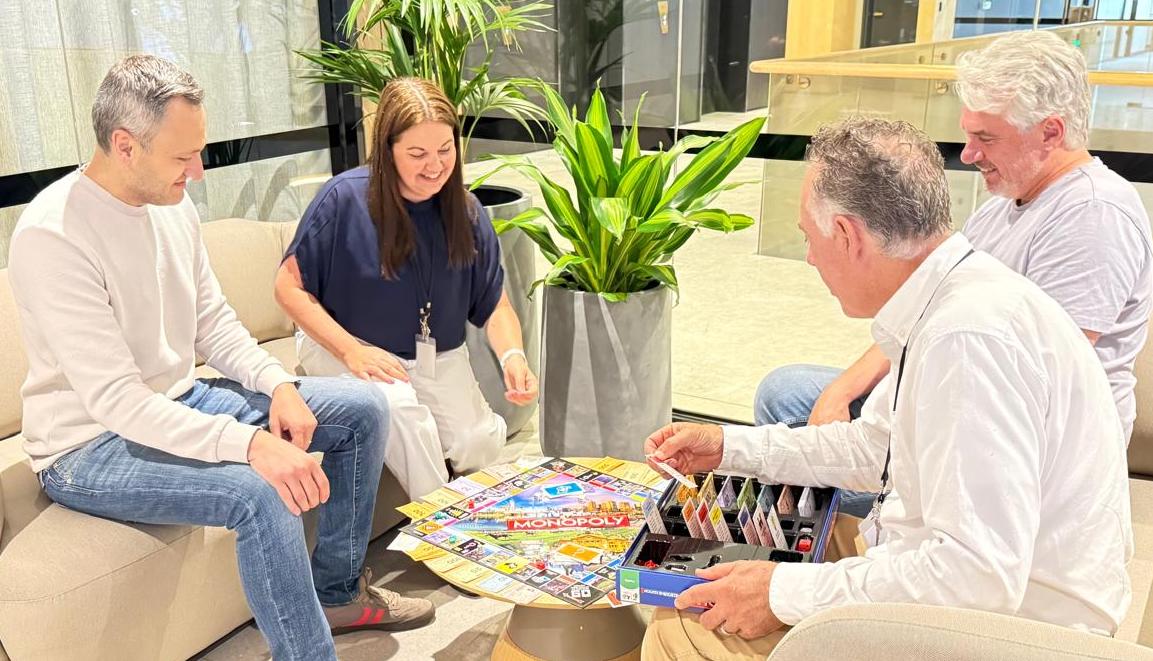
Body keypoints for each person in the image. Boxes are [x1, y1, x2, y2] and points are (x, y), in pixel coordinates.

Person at [640, 117, 1132, 660]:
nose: (808, 257)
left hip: (1019, 633)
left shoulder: (965, 338)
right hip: (961, 573)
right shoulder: (954, 296)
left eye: (808, 236)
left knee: (685, 624)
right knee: (744, 570)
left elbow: (978, 576)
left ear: (848, 235)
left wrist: (782, 593)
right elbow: (876, 448)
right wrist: (729, 447)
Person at [8, 55, 434, 661]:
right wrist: (251, 445)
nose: (199, 172)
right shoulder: (54, 235)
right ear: (125, 145)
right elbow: (118, 402)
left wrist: (277, 384)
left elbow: (212, 322)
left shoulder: (173, 206)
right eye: (183, 157)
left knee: (362, 407)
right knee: (258, 492)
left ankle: (335, 595)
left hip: (179, 398)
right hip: (87, 445)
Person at [755, 29, 1152, 517]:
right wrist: (846, 391)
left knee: (792, 429)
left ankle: (837, 566)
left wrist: (894, 425)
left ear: (1050, 132)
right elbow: (923, 304)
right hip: (958, 397)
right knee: (787, 394)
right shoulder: (1006, 203)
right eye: (968, 135)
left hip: (1027, 454)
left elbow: (1031, 381)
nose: (967, 154)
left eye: (986, 137)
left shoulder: (1094, 215)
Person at [275, 77, 537, 499]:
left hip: (430, 353)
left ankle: (483, 525)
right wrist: (351, 351)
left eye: (444, 150)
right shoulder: (343, 199)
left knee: (481, 442)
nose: (434, 165)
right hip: (342, 344)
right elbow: (288, 288)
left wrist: (513, 357)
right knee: (402, 413)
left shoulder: (466, 212)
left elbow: (494, 304)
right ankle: (442, 533)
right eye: (417, 153)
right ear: (388, 150)